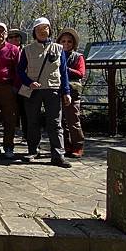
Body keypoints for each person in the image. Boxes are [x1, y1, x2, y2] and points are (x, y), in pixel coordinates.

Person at [18, 17, 72, 168]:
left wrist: (66, 91)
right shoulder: (27, 50)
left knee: (55, 123)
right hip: (33, 91)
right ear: (34, 32)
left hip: (53, 89)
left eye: (45, 28)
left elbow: (64, 72)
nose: (43, 31)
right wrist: (29, 82)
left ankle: (58, 155)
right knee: (32, 122)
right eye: (39, 29)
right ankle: (32, 151)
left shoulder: (58, 48)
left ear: (50, 30)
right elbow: (20, 71)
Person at [0, 22, 20, 160]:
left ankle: (9, 146)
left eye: (2, 31)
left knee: (10, 120)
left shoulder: (13, 49)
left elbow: (19, 70)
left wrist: (15, 88)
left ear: (6, 34)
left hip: (8, 88)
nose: (0, 34)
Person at [57, 28, 85, 158]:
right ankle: (67, 145)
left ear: (73, 43)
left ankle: (78, 146)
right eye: (63, 41)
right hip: (58, 91)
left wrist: (65, 69)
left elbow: (81, 73)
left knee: (73, 120)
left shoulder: (78, 57)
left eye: (69, 41)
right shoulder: (56, 55)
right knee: (61, 120)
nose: (66, 44)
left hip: (73, 92)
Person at [7, 28, 28, 140]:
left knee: (26, 112)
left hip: (25, 86)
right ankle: (11, 136)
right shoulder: (5, 52)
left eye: (17, 37)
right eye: (11, 37)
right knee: (11, 112)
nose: (14, 39)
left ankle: (26, 134)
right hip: (10, 86)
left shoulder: (27, 51)